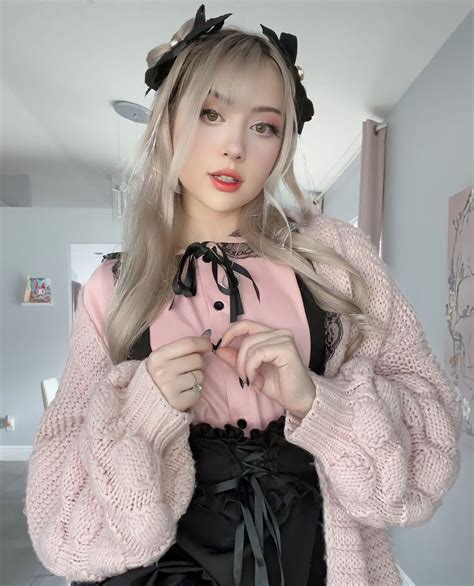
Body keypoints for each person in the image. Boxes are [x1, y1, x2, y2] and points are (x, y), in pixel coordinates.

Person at [25, 5, 462, 586]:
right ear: (169, 121)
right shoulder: (115, 288)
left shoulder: (335, 260)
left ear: (283, 143)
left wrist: (318, 403)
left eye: (264, 126)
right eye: (211, 114)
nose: (234, 147)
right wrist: (145, 415)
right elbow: (61, 533)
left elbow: (429, 461)